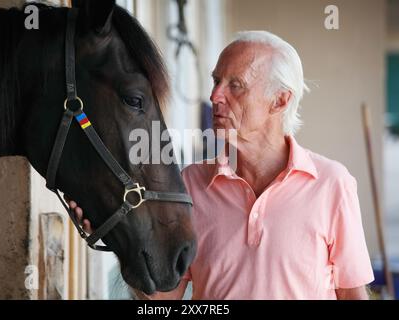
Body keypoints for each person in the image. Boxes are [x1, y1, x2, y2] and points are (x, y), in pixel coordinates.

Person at [68, 31, 374, 300]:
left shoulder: (332, 184)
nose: (215, 96)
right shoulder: (190, 184)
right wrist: (118, 235)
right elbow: (163, 299)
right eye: (216, 81)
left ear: (280, 100)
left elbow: (352, 295)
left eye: (236, 85)